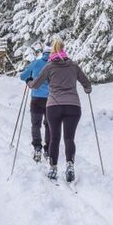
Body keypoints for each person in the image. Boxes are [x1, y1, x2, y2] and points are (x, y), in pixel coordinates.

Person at [28, 38, 91, 182]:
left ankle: (53, 168)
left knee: (55, 138)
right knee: (69, 138)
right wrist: (87, 89)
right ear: (64, 50)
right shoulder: (74, 66)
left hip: (54, 106)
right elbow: (86, 83)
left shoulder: (49, 66)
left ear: (53, 51)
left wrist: (29, 83)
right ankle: (69, 165)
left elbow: (36, 84)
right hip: (73, 106)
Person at [20, 46, 51, 162]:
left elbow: (22, 76)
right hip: (51, 99)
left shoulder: (36, 63)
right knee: (49, 125)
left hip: (36, 98)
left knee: (36, 124)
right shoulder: (55, 65)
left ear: (43, 54)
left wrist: (29, 79)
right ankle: (48, 149)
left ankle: (37, 148)